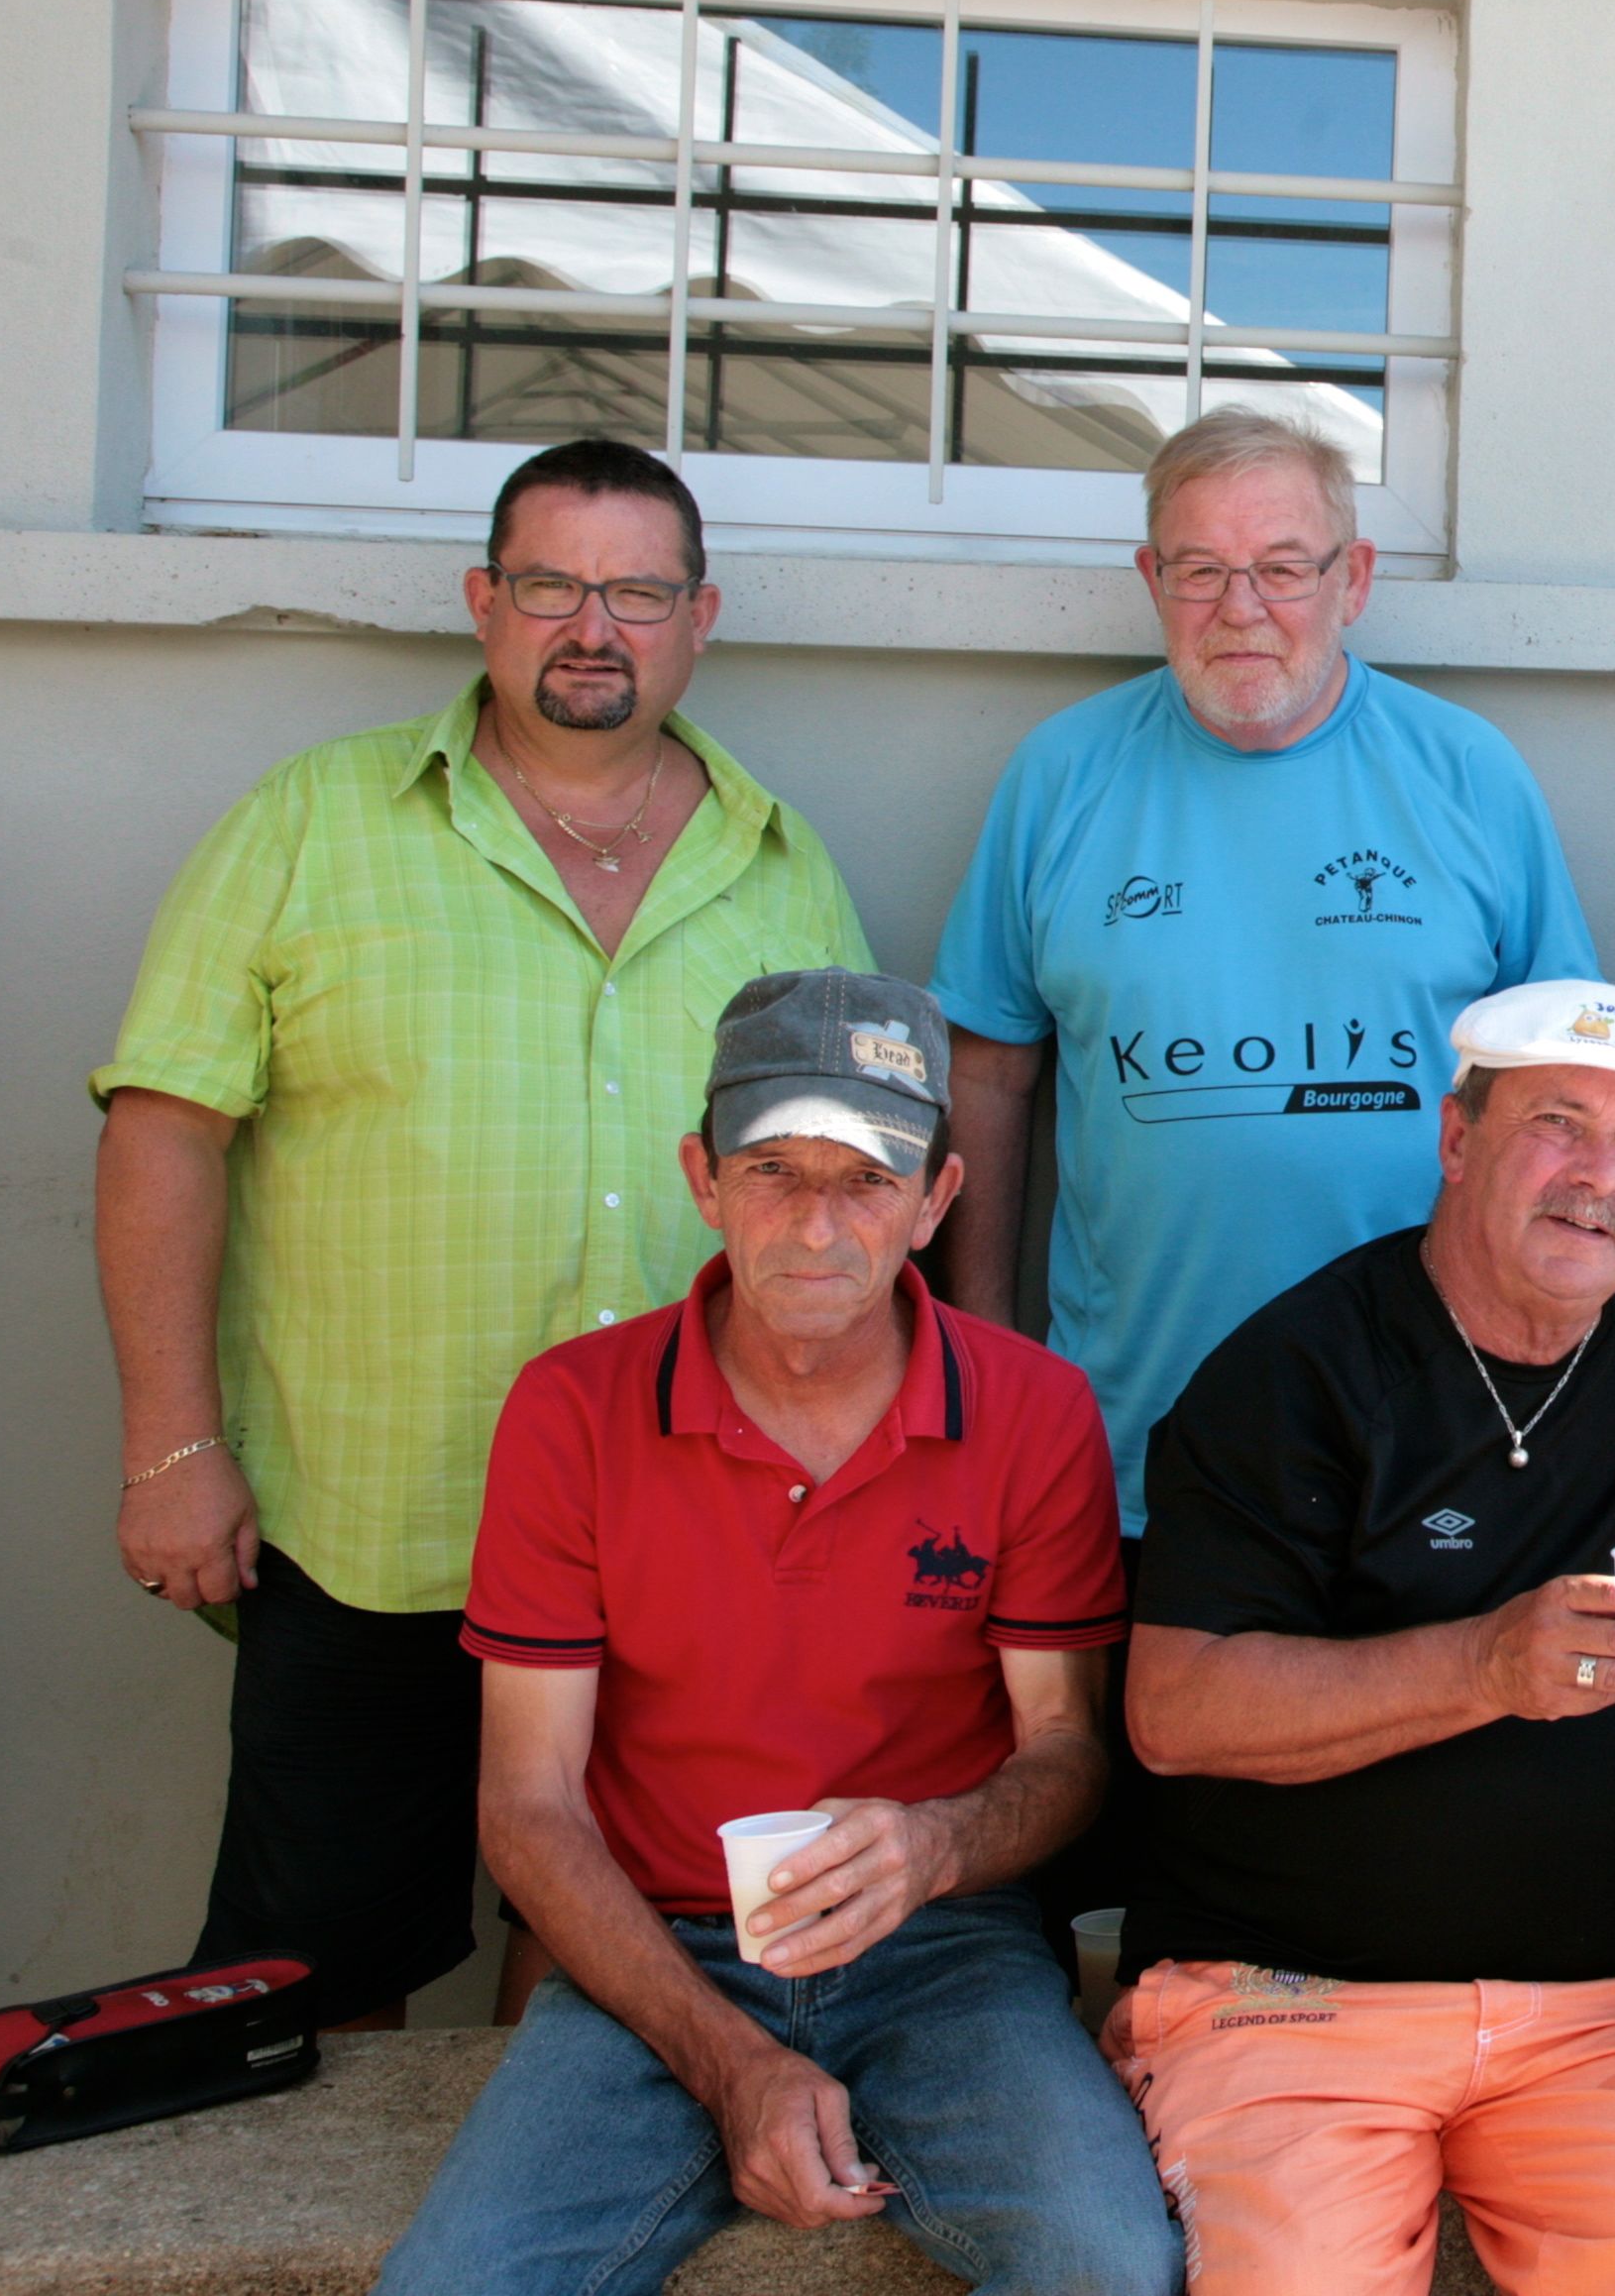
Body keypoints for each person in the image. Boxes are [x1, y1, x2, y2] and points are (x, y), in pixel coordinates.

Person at [94, 437, 874, 2027]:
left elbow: (854, 1191)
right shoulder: (315, 820)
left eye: (639, 591)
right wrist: (173, 1449)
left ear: (699, 617)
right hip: (380, 1523)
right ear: (483, 602)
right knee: (318, 1985)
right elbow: (164, 1133)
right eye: (551, 586)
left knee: (633, 1964)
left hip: (698, 1546)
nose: (595, 626)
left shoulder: (784, 867)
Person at [379, 971, 1172, 2294]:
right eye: (771, 1171)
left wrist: (934, 1846)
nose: (815, 1227)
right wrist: (732, 2061)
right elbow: (524, 1803)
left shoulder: (1031, 1411)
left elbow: (1065, 1757)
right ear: (701, 1177)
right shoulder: (575, 1408)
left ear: (937, 1201)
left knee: (1104, 2260)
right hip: (656, 1944)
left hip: (949, 1945)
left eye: (866, 1181)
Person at [929, 409, 1596, 1922]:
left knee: (1377, 1853)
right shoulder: (1062, 778)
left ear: (1354, 577)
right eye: (1202, 572)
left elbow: (1564, 1086)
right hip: (1132, 1440)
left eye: (1283, 568)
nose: (1244, 611)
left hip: (1421, 1439)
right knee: (1123, 1864)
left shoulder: (1467, 777)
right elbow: (991, 1066)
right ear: (1149, 578)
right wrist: (979, 1344)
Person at [1113, 978, 1615, 2295]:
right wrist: (1487, 1665)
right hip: (1287, 2003)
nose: (1595, 1176)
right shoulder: (1296, 1371)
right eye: (1557, 1123)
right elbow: (1174, 1711)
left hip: (1594, 2019)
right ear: (1457, 1139)